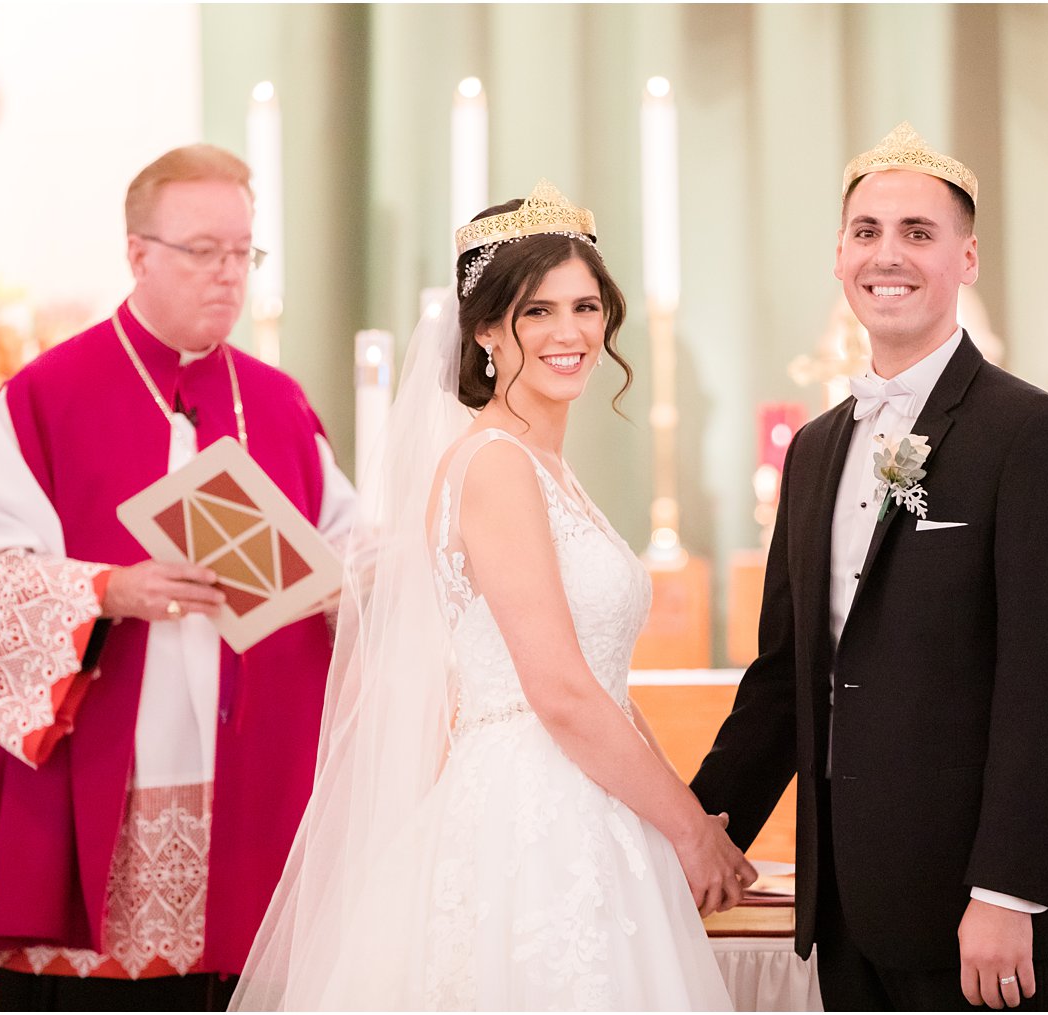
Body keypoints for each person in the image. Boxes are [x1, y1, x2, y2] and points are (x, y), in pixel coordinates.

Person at [230, 180, 754, 1011]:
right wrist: (691, 831)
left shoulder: (547, 468)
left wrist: (675, 810)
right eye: (536, 311)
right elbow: (561, 691)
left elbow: (601, 686)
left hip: (589, 796)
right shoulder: (497, 465)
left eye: (585, 306)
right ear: (483, 330)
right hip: (530, 818)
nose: (569, 332)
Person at [690, 121, 1048, 1011]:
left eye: (919, 232)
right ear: (839, 256)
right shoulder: (812, 450)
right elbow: (785, 677)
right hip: (845, 903)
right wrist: (697, 829)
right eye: (867, 231)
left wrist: (1006, 893)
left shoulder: (1035, 437)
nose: (890, 254)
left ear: (966, 258)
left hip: (978, 912)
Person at [0, 143, 356, 1010]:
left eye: (243, 252)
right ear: (138, 254)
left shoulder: (276, 402)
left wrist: (354, 581)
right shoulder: (49, 396)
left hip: (255, 780)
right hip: (107, 778)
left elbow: (353, 546)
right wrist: (107, 592)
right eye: (204, 251)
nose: (228, 275)